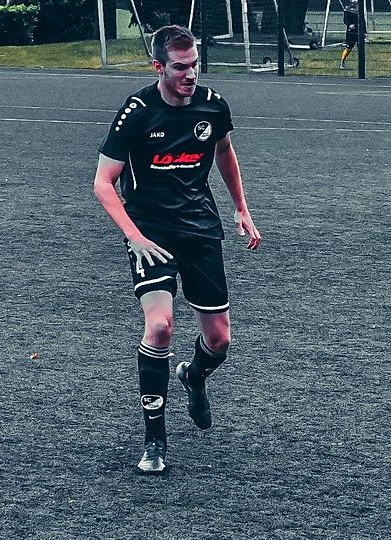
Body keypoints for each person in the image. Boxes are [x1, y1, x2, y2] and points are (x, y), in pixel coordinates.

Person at [93, 24, 262, 475]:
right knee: (160, 326)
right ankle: (155, 440)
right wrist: (134, 236)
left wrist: (241, 208)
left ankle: (193, 375)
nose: (190, 75)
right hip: (151, 234)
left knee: (219, 340)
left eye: (195, 65)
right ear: (159, 67)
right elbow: (103, 183)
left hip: (200, 231)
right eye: (180, 67)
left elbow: (224, 151)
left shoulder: (213, 105)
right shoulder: (137, 112)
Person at [339, 0, 360, 69]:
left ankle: (361, 64)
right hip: (351, 31)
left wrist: (364, 31)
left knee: (360, 47)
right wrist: (350, 25)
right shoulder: (347, 9)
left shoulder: (360, 9)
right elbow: (345, 20)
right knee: (349, 48)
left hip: (359, 31)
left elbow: (362, 21)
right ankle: (342, 62)